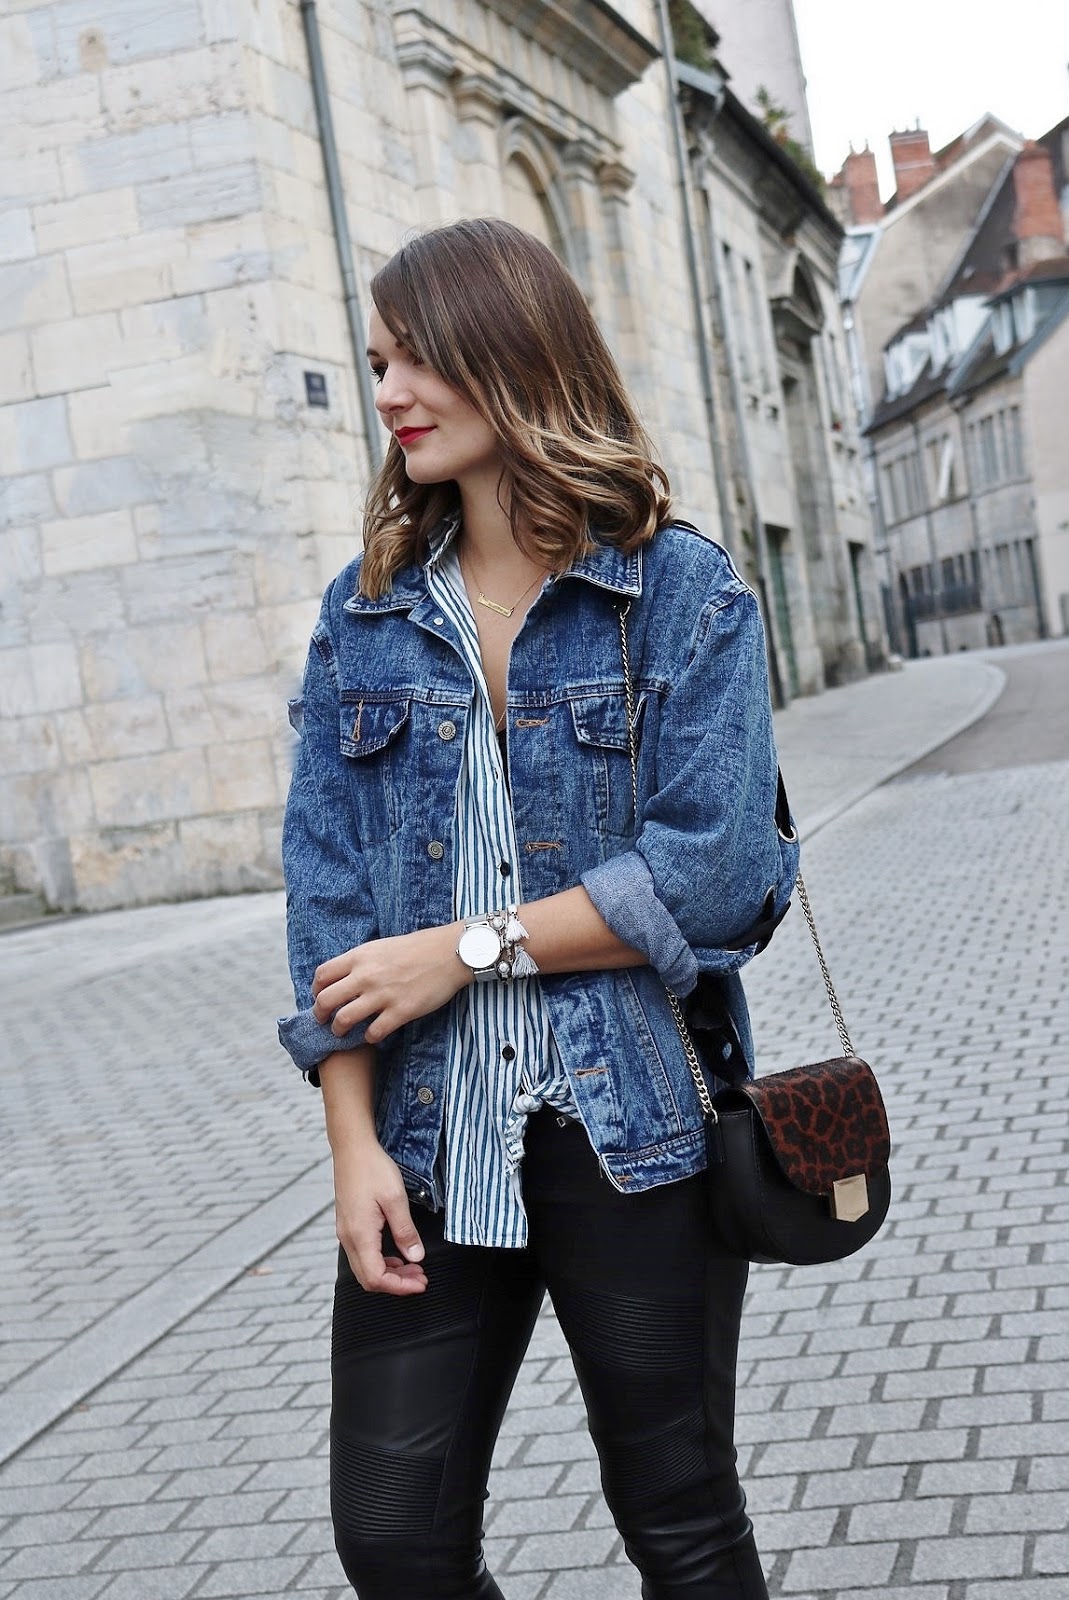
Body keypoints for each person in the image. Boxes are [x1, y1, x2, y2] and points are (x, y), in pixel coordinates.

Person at [278, 217, 799, 1600]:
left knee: (678, 1519)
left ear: (510, 353)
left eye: (414, 357)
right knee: (392, 1536)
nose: (385, 392)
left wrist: (464, 952)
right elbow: (324, 902)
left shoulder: (674, 592)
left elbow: (718, 874)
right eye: (376, 361)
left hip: (631, 1123)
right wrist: (350, 1149)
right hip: (426, 1142)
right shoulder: (367, 617)